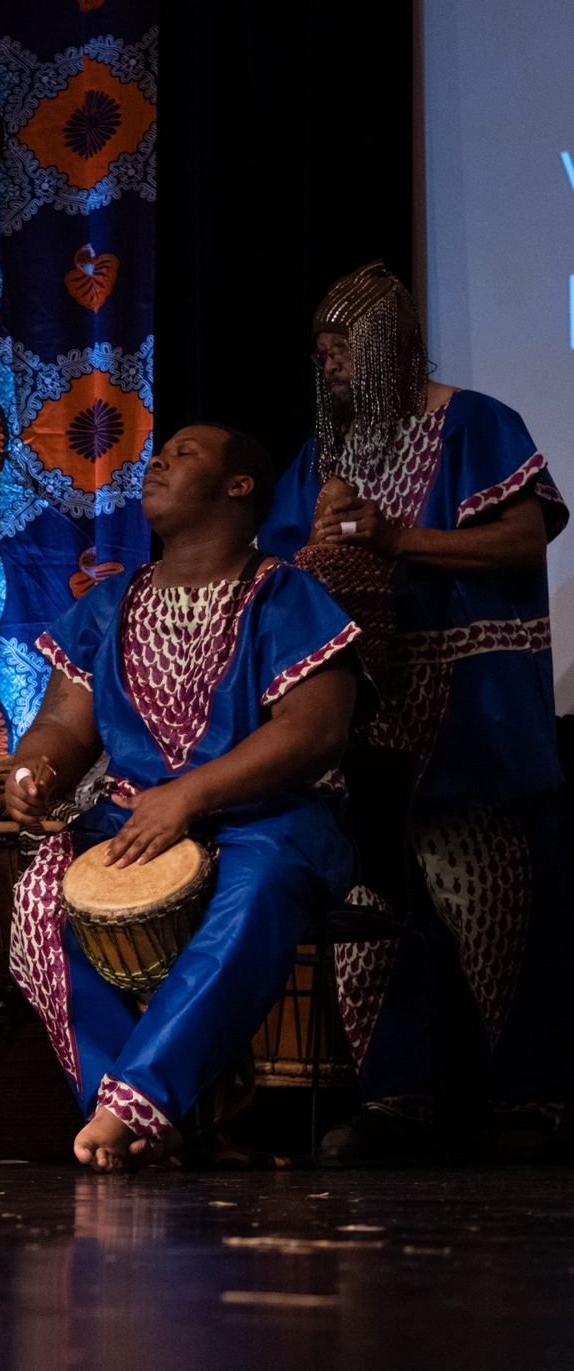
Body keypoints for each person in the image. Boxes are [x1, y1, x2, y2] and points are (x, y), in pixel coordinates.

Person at [260, 262, 568, 1161]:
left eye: (341, 350)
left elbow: (525, 532)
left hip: (473, 701)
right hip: (371, 710)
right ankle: (397, 1098)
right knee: (376, 904)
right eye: (320, 354)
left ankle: (533, 1103)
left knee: (499, 904)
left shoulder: (474, 420)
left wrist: (398, 539)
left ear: (389, 344)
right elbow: (283, 564)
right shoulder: (328, 453)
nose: (329, 368)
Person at [5, 424, 360, 1171]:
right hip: (131, 815)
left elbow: (317, 729)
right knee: (40, 898)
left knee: (258, 885)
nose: (158, 459)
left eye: (185, 453)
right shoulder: (110, 605)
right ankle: (157, 1113)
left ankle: (133, 1106)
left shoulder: (286, 594)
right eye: (159, 452)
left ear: (240, 488)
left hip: (269, 818)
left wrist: (191, 795)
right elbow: (62, 727)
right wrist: (33, 770)